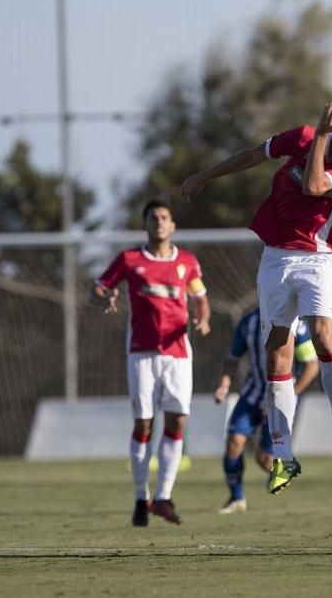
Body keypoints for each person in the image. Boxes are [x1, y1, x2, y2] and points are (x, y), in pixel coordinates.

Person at [181, 102, 332, 494]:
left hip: (317, 260)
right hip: (276, 260)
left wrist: (319, 136)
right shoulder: (301, 135)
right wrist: (205, 175)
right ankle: (282, 454)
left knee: (321, 334)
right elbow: (252, 155)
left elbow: (313, 185)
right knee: (276, 353)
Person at [93, 199, 211, 527]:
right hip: (142, 353)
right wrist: (105, 297)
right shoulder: (129, 260)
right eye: (153, 218)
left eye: (164, 217)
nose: (159, 222)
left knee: (177, 422)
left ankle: (164, 497)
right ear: (145, 225)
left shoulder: (187, 262)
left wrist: (202, 320)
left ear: (172, 225)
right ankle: (140, 497)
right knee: (143, 424)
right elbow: (98, 288)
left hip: (178, 354)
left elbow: (201, 298)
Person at [214, 309, 319, 514]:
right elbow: (233, 358)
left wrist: (292, 394)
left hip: (281, 395)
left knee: (264, 459)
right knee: (235, 441)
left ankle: (282, 467)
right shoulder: (248, 322)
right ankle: (236, 498)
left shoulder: (296, 323)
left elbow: (311, 365)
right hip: (253, 393)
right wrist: (224, 385)